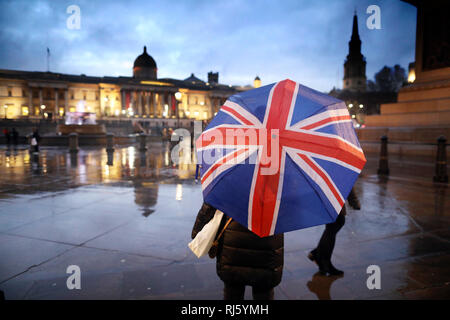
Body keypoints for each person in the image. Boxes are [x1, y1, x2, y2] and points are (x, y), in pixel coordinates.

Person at [192, 202, 284, 300]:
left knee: (233, 291)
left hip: (233, 246)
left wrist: (197, 232)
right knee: (264, 291)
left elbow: (211, 203)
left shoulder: (229, 186)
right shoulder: (281, 188)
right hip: (268, 247)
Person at [308, 187, 360, 276]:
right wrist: (354, 201)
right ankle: (324, 261)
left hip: (325, 195)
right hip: (333, 196)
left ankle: (318, 255)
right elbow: (347, 181)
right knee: (335, 224)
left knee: (332, 226)